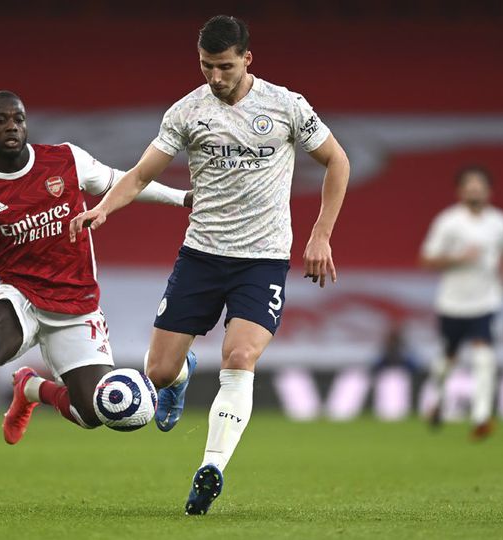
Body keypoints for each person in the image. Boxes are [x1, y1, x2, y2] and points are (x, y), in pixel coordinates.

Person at [70, 15, 349, 515]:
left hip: (261, 261)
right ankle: (180, 379)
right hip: (201, 256)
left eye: (223, 66)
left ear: (247, 59)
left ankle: (212, 467)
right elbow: (138, 175)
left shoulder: (286, 105)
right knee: (156, 371)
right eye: (205, 66)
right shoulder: (187, 112)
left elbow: (338, 160)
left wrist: (321, 234)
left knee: (240, 357)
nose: (214, 77)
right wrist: (103, 207)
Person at [0, 90, 191, 509]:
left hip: (77, 306)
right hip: (21, 299)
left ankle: (30, 389)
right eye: (0, 120)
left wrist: (183, 198)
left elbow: (124, 181)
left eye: (18, 118)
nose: (11, 126)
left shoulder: (65, 160)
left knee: (94, 413)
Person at [420, 166, 503, 440]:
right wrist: (458, 258)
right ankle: (436, 398)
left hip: (486, 301)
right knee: (448, 359)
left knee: (484, 357)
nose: (474, 190)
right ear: (460, 191)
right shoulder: (448, 222)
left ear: (488, 191)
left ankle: (481, 416)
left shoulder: (500, 222)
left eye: (479, 186)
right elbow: (426, 260)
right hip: (453, 303)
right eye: (469, 186)